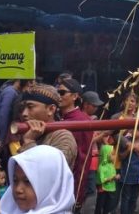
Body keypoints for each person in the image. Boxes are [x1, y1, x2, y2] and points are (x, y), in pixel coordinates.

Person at [0, 144, 75, 214]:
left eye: (27, 181)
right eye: (15, 180)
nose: (18, 189)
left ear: (50, 186)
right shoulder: (6, 210)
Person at [18, 83, 77, 169]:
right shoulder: (31, 133)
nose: (24, 114)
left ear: (51, 109)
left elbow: (51, 171)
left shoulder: (63, 137)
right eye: (22, 108)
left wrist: (29, 142)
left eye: (30, 107)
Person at [56, 78, 93, 212]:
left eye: (62, 92)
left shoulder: (82, 121)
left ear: (75, 96)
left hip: (70, 187)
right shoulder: (58, 117)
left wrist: (77, 194)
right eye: (57, 92)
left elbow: (83, 160)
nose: (58, 96)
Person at [118, 127, 139, 214]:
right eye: (133, 129)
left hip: (138, 176)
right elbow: (121, 156)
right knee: (126, 198)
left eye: (138, 129)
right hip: (127, 176)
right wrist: (128, 150)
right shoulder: (126, 140)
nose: (135, 131)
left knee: (134, 198)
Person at [95, 130, 118, 214]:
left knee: (108, 206)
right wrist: (113, 178)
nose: (114, 156)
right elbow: (102, 180)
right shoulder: (102, 167)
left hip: (110, 189)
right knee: (100, 205)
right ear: (106, 154)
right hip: (103, 189)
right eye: (112, 154)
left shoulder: (111, 165)